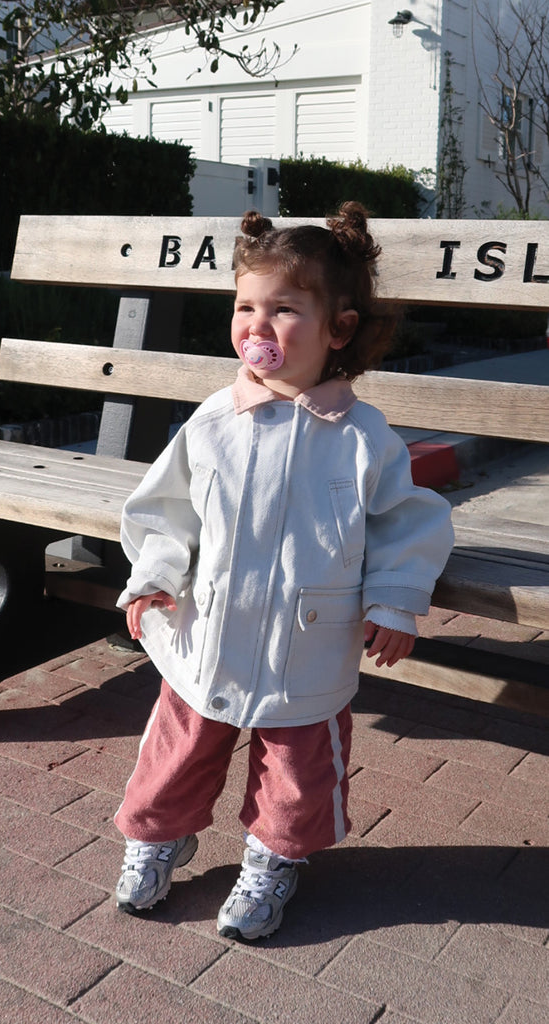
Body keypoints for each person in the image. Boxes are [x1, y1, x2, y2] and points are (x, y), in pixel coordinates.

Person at [113, 203, 454, 942]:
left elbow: (408, 519)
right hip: (205, 634)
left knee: (297, 772)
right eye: (245, 306)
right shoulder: (213, 422)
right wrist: (154, 575)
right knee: (177, 750)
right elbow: (167, 512)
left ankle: (274, 857)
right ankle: (157, 833)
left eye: (284, 309)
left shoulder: (362, 437)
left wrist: (396, 599)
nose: (256, 325)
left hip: (308, 646)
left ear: (339, 329)